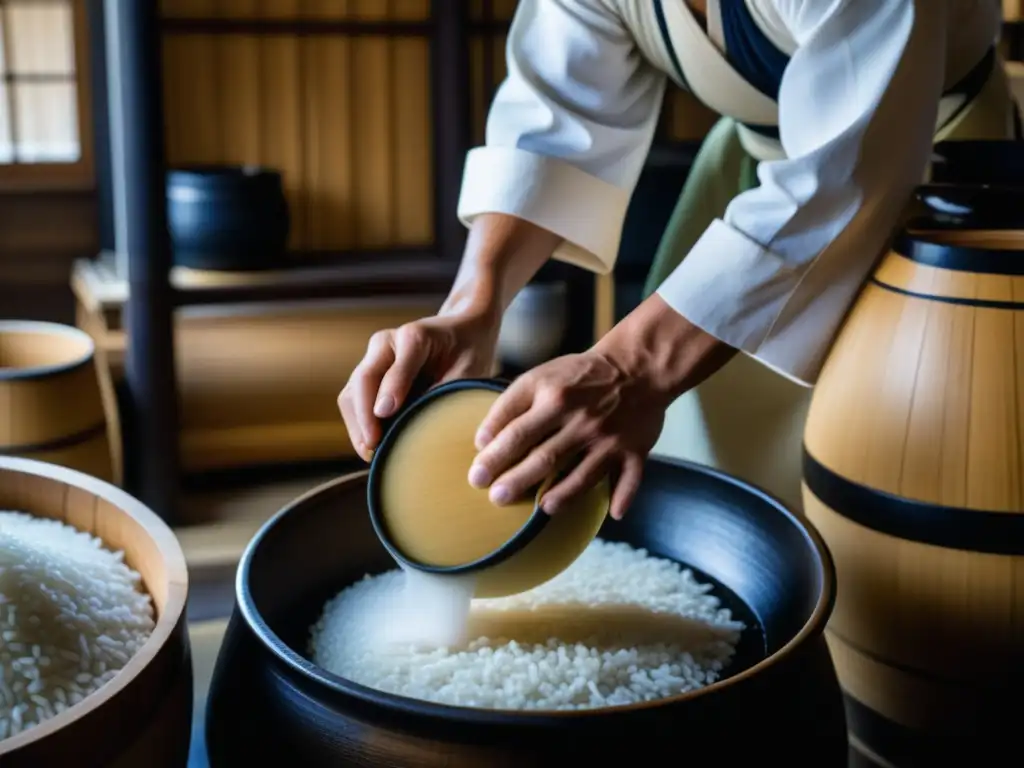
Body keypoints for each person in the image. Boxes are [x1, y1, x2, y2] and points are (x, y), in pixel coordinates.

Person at [339, 0, 1016, 520]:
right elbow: (553, 127)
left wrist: (626, 367)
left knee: (893, 474)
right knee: (712, 465)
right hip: (760, 181)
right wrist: (472, 308)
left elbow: (848, 175)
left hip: (933, 186)